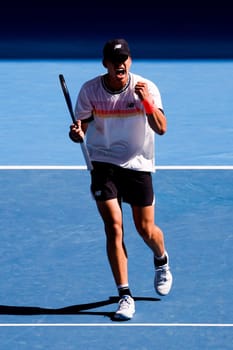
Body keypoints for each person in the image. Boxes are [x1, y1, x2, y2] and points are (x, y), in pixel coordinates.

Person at [69, 38, 173, 320]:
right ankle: (125, 294)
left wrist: (147, 103)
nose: (120, 65)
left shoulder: (146, 87)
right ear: (105, 64)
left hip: (138, 164)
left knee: (145, 230)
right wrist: (77, 133)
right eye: (115, 60)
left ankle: (161, 259)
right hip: (103, 163)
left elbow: (161, 129)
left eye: (124, 59)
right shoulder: (90, 90)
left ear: (130, 61)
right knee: (114, 226)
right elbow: (81, 127)